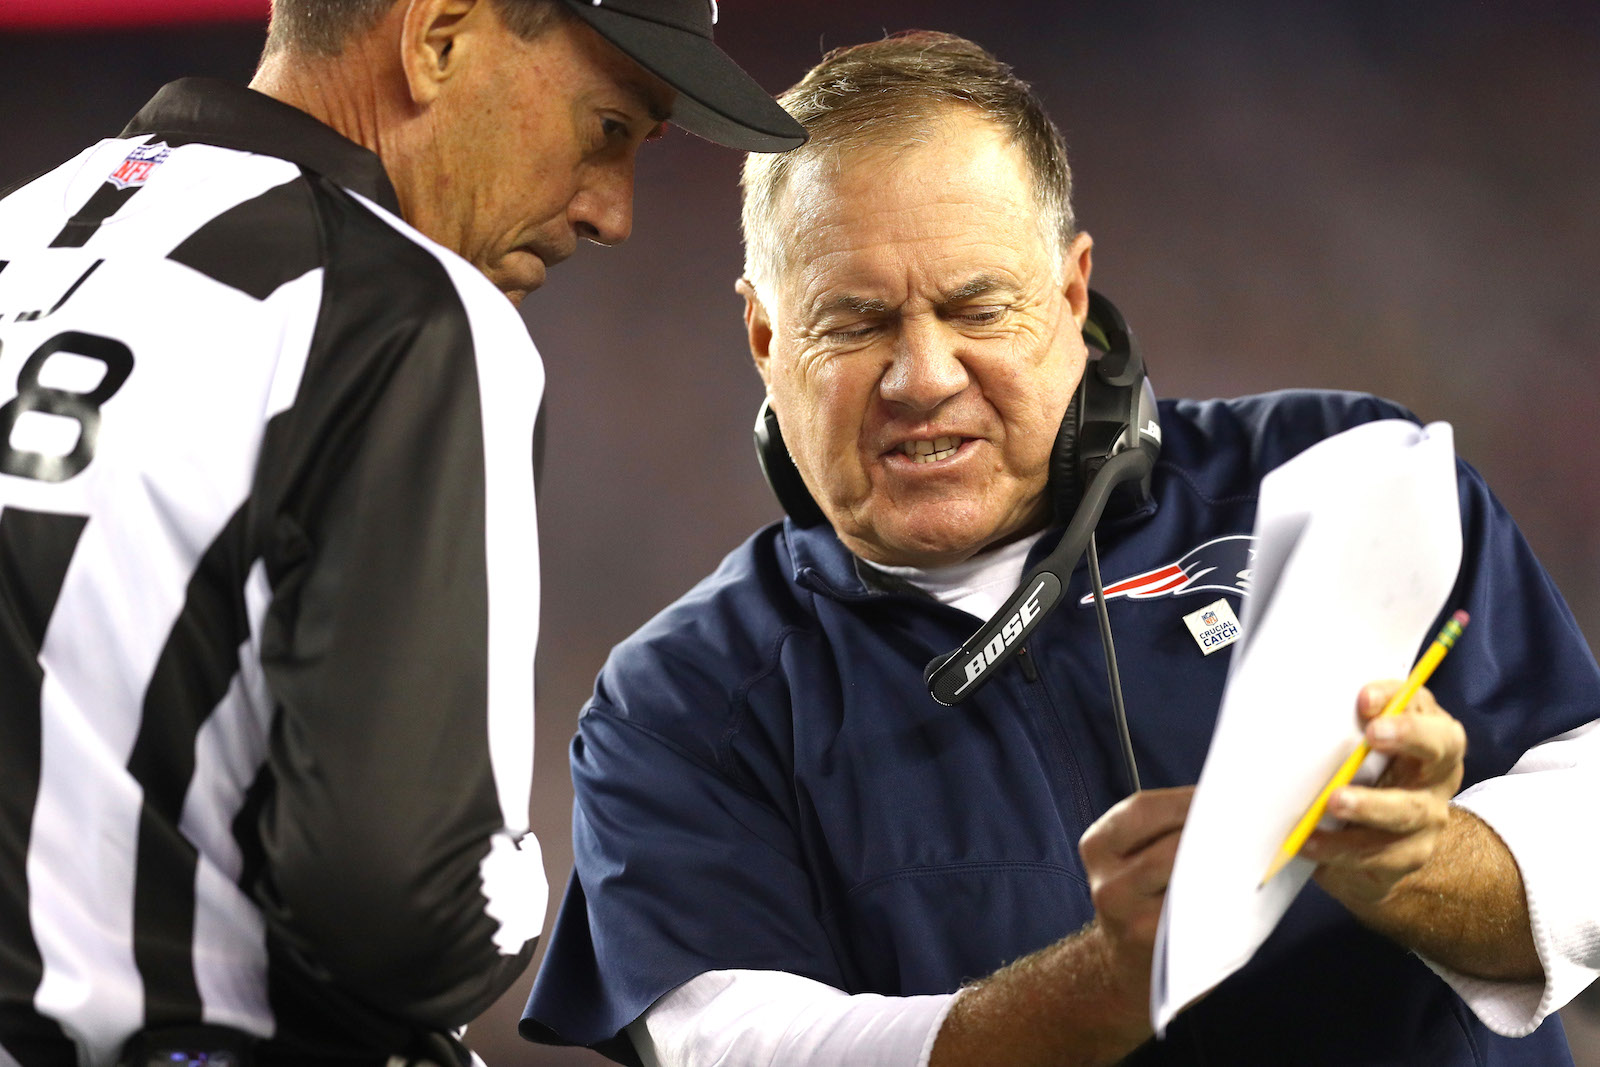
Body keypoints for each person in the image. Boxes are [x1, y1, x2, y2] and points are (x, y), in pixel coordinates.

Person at [519, 31, 1600, 1067]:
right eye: (853, 323)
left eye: (975, 306)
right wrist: (1111, 977)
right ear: (764, 337)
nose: (922, 374)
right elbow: (746, 1047)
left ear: (1072, 295)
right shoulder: (680, 702)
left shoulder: (1340, 474)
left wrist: (1411, 863)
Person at [0, 1, 802, 1064]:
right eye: (608, 127)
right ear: (439, 38)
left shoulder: (21, 229)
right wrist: (508, 880)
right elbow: (401, 910)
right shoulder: (398, 310)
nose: (614, 214)